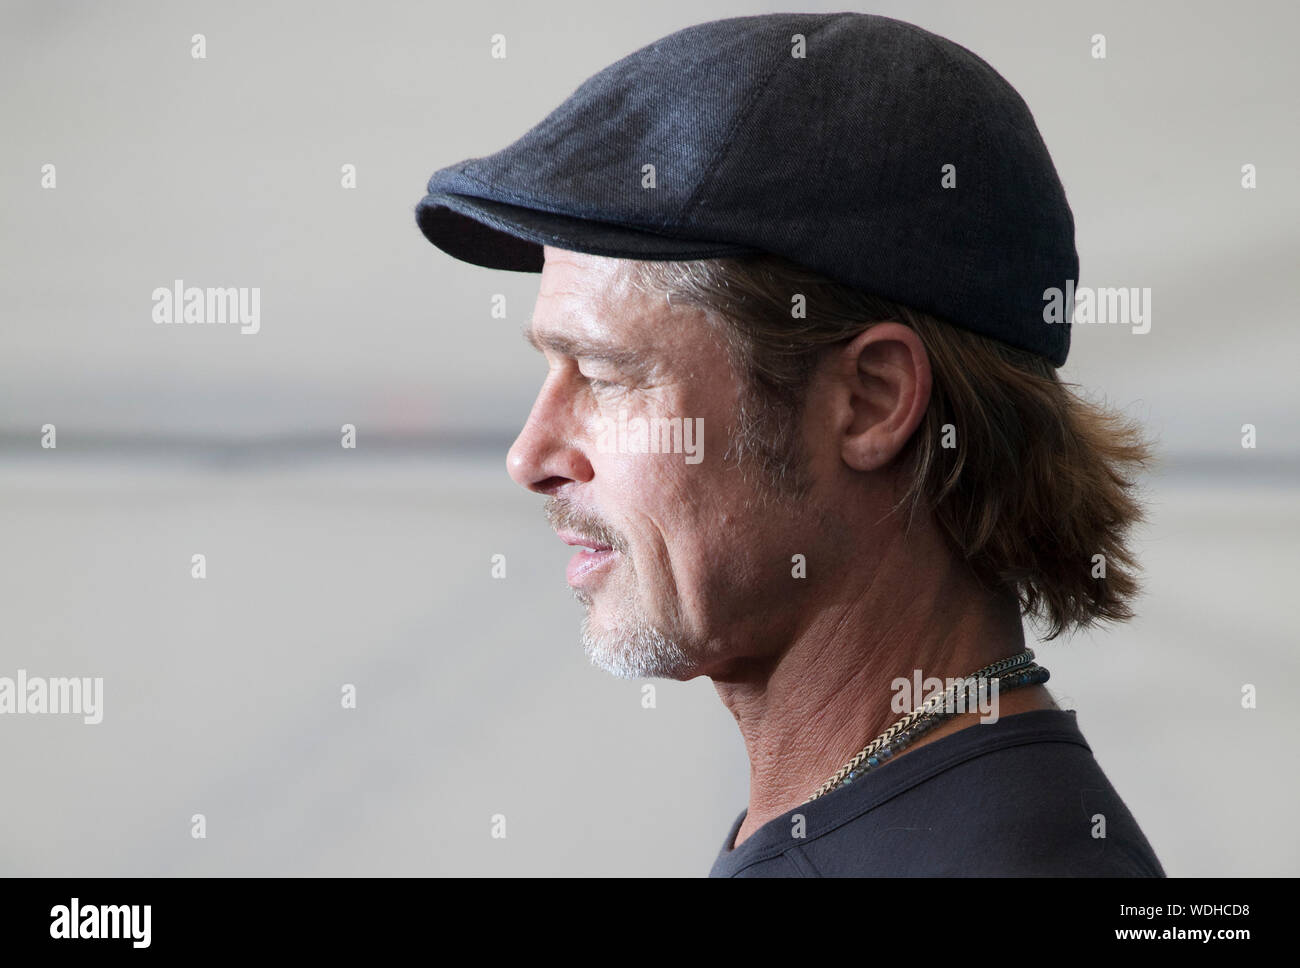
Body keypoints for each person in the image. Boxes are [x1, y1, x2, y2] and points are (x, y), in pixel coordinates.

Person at [414, 12, 1165, 876]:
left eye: (609, 375)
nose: (531, 455)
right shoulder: (879, 821)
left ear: (869, 402)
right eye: (551, 367)